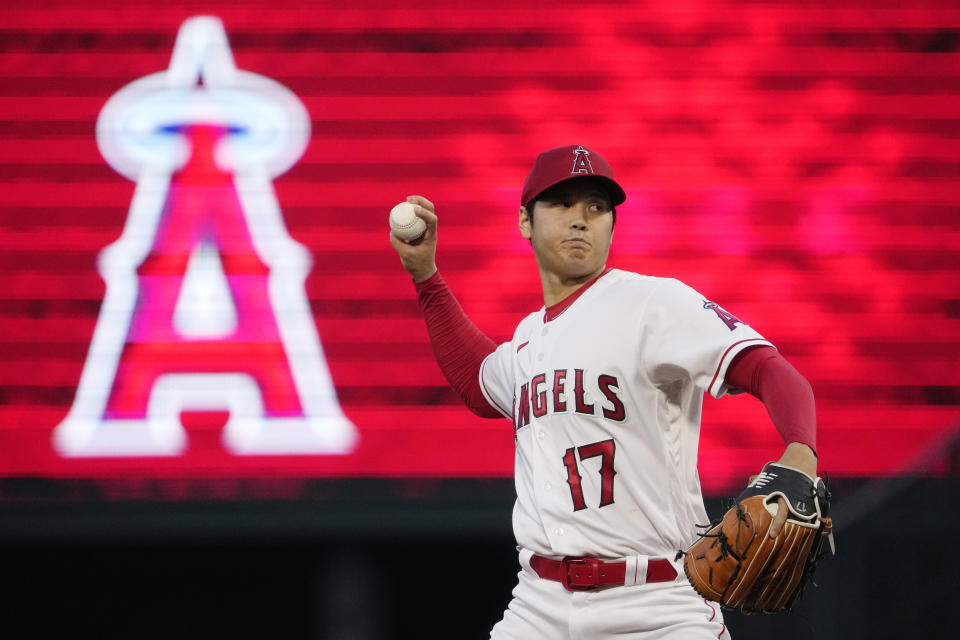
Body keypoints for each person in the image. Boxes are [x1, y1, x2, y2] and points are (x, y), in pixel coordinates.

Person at [389, 144, 818, 638]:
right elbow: (477, 379)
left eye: (596, 207)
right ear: (525, 222)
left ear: (613, 226)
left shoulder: (653, 304)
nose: (581, 219)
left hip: (656, 603)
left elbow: (768, 368)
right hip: (539, 604)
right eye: (562, 203)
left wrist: (801, 454)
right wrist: (426, 277)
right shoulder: (528, 338)